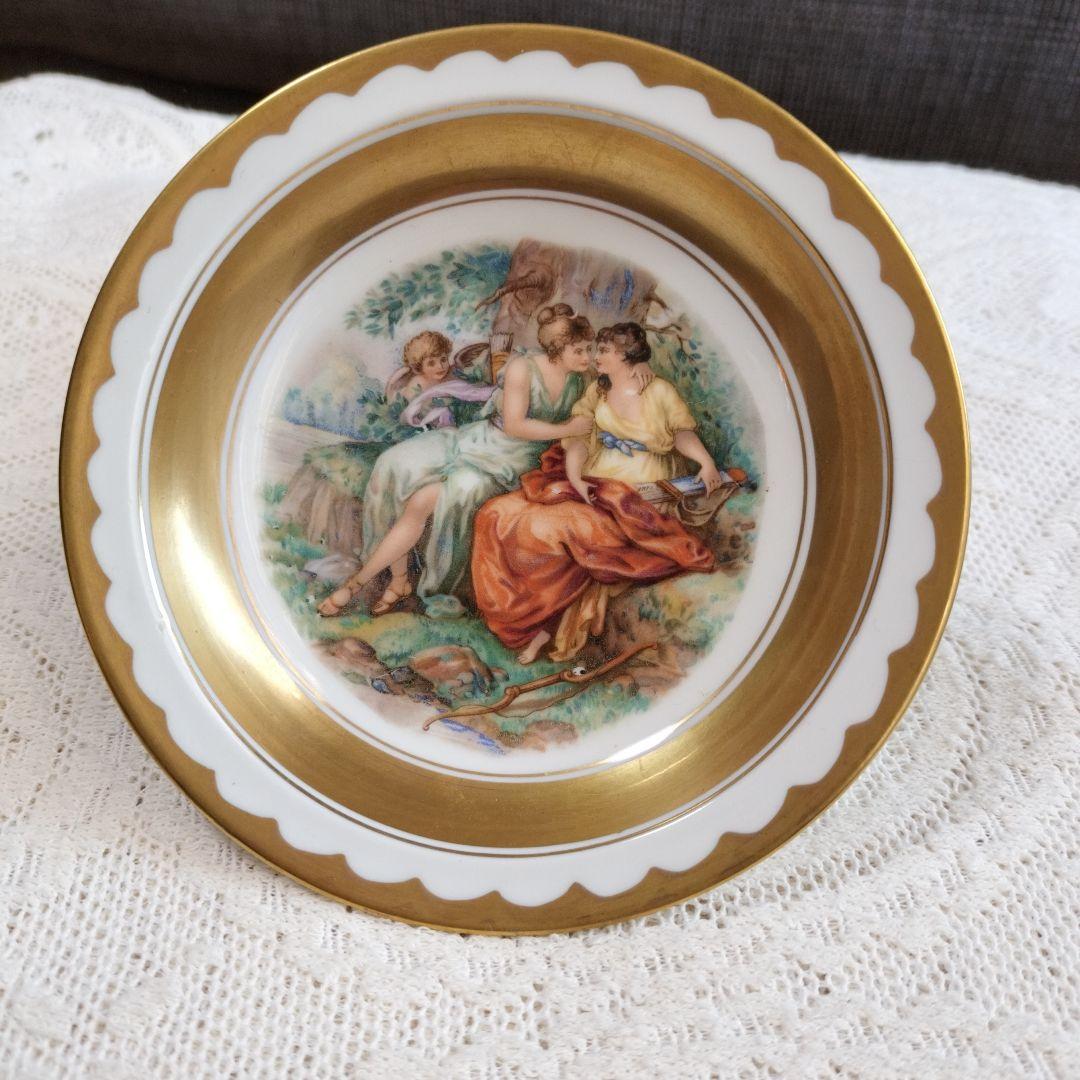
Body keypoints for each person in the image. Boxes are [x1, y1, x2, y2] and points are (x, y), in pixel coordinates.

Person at [317, 304, 596, 617]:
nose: (587, 357)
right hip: (480, 439)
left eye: (589, 349)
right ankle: (397, 579)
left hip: (511, 462)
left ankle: (356, 585)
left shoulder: (583, 381)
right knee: (394, 463)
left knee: (424, 500)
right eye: (579, 350)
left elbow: (580, 431)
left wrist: (574, 440)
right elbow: (515, 425)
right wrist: (568, 428)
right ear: (557, 348)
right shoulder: (523, 367)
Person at [471, 322, 722, 663]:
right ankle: (522, 620)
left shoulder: (659, 390)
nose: (594, 357)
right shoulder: (597, 390)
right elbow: (578, 438)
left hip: (635, 489)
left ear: (627, 355)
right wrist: (575, 478)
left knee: (549, 530)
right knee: (496, 513)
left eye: (602, 350)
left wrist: (706, 462)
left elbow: (681, 432)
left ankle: (540, 626)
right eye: (593, 350)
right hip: (592, 481)